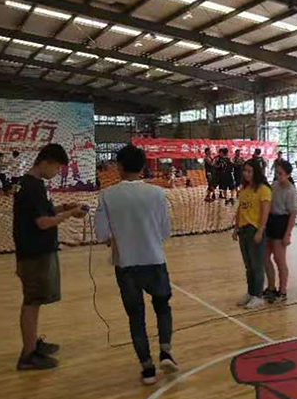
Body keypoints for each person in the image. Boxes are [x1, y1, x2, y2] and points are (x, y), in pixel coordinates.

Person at [95, 145, 178, 386]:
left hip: (126, 264)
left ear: (119, 167)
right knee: (163, 308)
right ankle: (165, 351)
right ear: (143, 167)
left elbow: (103, 235)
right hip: (154, 260)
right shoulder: (157, 193)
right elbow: (165, 231)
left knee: (136, 317)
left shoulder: (107, 195)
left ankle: (147, 368)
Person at [13, 144, 87, 370]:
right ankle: (28, 355)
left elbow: (43, 213)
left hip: (35, 252)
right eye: (56, 168)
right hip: (34, 254)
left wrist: (64, 207)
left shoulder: (32, 184)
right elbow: (43, 223)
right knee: (32, 302)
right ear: (46, 162)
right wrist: (70, 214)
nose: (56, 173)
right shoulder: (32, 187)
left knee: (34, 300)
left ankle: (32, 343)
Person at [233, 159, 272, 309]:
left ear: (256, 172)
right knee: (248, 265)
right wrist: (236, 228)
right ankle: (251, 292)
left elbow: (265, 212)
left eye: (249, 171)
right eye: (245, 171)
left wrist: (260, 230)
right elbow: (240, 209)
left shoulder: (263, 189)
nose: (246, 174)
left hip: (254, 229)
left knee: (256, 265)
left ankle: (258, 296)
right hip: (243, 230)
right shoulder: (244, 189)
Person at [263, 159, 297, 304]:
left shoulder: (291, 191)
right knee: (265, 256)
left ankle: (282, 291)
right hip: (270, 221)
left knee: (279, 259)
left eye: (281, 174)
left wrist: (287, 234)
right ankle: (271, 287)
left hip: (282, 222)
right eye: (276, 173)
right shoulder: (275, 185)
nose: (278, 176)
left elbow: (293, 214)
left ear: (288, 175)